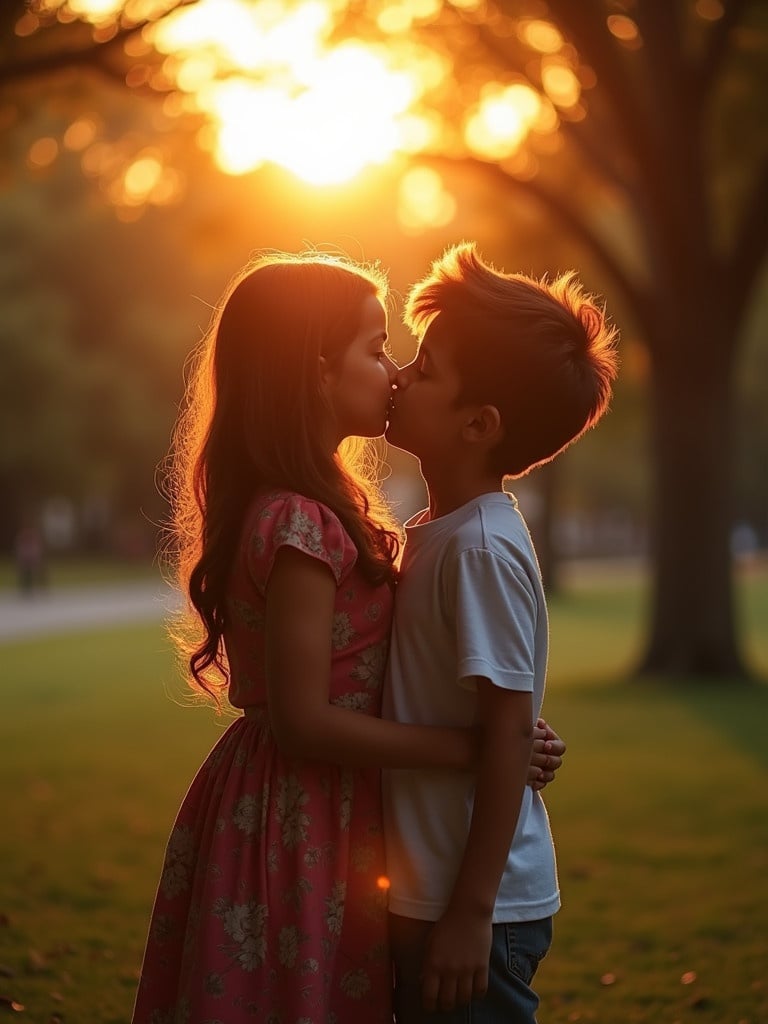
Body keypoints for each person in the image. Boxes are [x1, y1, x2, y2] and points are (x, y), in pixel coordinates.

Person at [131, 251, 565, 1024]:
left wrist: (506, 738)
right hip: (297, 817)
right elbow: (304, 718)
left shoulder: (423, 530)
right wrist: (479, 748)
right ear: (317, 372)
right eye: (377, 350)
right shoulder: (303, 521)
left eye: (408, 359)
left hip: (351, 824)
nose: (395, 373)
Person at [383, 243, 619, 1023]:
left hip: (475, 908)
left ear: (480, 424)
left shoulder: (478, 548)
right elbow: (496, 724)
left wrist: (468, 914)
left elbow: (508, 732)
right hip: (435, 890)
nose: (402, 376)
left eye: (426, 370)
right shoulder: (440, 532)